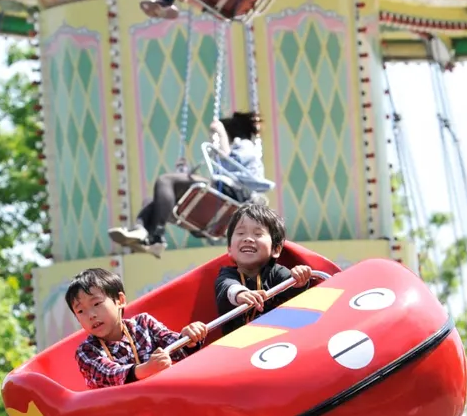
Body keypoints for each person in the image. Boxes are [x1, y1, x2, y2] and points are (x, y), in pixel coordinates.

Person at [108, 112, 267, 257]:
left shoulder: (245, 145)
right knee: (151, 201)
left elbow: (228, 164)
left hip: (234, 194)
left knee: (165, 180)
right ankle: (141, 231)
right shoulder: (236, 148)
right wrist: (184, 173)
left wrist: (220, 133)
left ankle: (156, 235)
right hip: (224, 190)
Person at [68, 268, 207, 389]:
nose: (91, 315)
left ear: (120, 300)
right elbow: (109, 375)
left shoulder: (144, 323)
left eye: (97, 303)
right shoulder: (87, 351)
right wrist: (146, 369)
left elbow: (176, 348)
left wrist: (189, 338)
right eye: (80, 311)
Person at [213, 203, 313, 332]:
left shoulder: (277, 272)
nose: (248, 239)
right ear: (230, 249)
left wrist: (300, 277)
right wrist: (240, 294)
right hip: (237, 348)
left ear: (276, 249)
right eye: (241, 233)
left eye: (258, 234)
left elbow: (296, 290)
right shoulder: (226, 275)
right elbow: (227, 287)